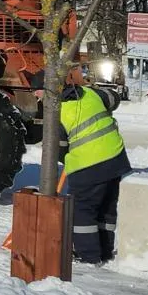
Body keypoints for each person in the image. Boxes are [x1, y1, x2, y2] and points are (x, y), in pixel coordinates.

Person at [41, 81, 132, 264]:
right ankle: (105, 251)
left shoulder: (55, 114)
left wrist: (68, 157)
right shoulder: (89, 93)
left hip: (88, 166)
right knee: (106, 208)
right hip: (115, 158)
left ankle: (89, 256)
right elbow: (113, 98)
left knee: (82, 211)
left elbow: (59, 150)